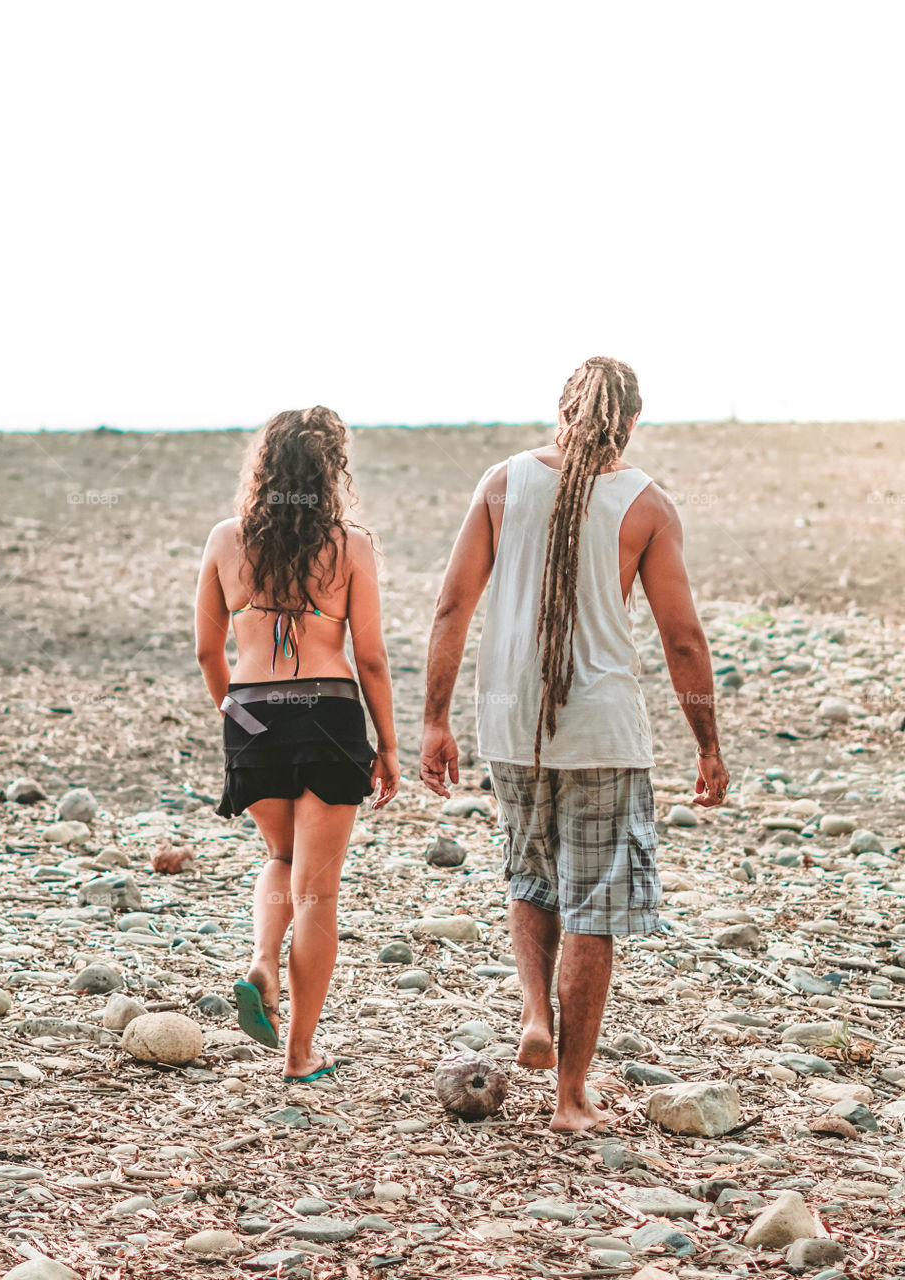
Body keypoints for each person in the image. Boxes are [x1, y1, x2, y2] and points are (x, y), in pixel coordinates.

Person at [419, 357, 729, 1131]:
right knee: (594, 907)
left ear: (562, 410)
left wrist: (435, 720)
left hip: (512, 724)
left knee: (531, 874)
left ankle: (535, 1013)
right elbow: (683, 640)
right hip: (602, 732)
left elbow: (452, 606)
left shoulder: (502, 482)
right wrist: (708, 746)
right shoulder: (646, 503)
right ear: (632, 422)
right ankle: (571, 1097)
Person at [195, 406, 399, 1083]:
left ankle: (262, 960)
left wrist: (237, 715)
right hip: (329, 717)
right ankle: (300, 1052)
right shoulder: (351, 546)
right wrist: (388, 745)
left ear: (265, 467)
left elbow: (207, 651)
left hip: (253, 716)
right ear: (329, 472)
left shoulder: (225, 541)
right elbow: (371, 658)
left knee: (281, 857)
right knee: (317, 896)